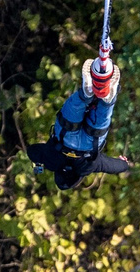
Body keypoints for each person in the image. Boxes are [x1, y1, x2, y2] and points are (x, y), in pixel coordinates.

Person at [27, 43, 132, 190]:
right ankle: (86, 93)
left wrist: (123, 164)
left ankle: (108, 99)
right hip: (65, 137)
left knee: (101, 121)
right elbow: (31, 151)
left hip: (90, 145)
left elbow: (110, 166)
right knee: (72, 112)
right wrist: (39, 163)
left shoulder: (86, 169)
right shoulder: (51, 162)